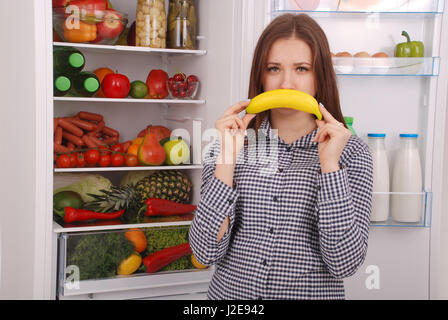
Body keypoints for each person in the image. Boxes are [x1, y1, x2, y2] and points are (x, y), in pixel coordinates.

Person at [189, 13, 373, 300]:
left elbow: (344, 264)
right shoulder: (229, 144)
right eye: (274, 68)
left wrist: (330, 167)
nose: (287, 82)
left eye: (302, 69)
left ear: (319, 75)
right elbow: (204, 251)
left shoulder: (352, 153)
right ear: (261, 76)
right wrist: (227, 159)